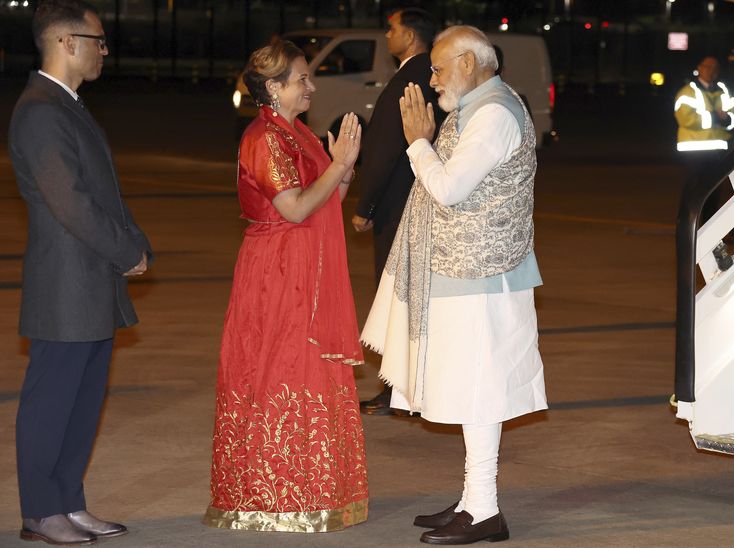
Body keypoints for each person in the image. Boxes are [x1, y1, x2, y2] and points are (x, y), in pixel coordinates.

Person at [361, 25, 546, 544]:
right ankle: (471, 500)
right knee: (469, 390)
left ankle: (485, 510)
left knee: (479, 392)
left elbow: (447, 188)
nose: (433, 77)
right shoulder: (478, 108)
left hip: (483, 280)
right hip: (468, 275)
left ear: (468, 64)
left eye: (439, 68)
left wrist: (418, 143)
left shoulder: (492, 116)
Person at [202, 40, 368, 533]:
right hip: (277, 273)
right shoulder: (265, 137)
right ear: (273, 88)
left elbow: (325, 202)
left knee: (309, 373)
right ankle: (268, 496)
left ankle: (314, 490)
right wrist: (337, 167)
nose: (311, 86)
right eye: (302, 79)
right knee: (280, 371)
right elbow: (293, 208)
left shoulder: (298, 133)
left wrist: (345, 164)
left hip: (304, 269)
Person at [8, 0, 152, 544]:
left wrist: (134, 242)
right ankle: (40, 512)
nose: (105, 51)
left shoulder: (66, 105)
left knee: (82, 400)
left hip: (89, 282)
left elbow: (102, 193)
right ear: (67, 43)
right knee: (52, 400)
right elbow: (70, 203)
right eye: (98, 40)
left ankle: (68, 501)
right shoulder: (41, 110)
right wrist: (125, 251)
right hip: (65, 283)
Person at [353, 7, 445, 416]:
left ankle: (398, 392)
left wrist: (365, 203)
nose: (386, 35)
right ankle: (405, 389)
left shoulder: (410, 78)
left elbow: (387, 149)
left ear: (409, 36)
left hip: (399, 203)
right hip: (416, 197)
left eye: (391, 29)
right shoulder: (428, 73)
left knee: (395, 298)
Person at [674, 56, 734, 225]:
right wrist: (716, 117)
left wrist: (725, 120)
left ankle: (708, 225)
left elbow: (732, 117)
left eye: (714, 68)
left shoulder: (722, 91)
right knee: (694, 187)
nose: (711, 71)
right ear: (699, 68)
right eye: (707, 67)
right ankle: (686, 223)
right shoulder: (687, 92)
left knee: (713, 190)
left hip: (717, 150)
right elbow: (686, 119)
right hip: (695, 150)